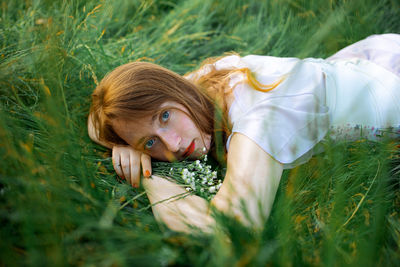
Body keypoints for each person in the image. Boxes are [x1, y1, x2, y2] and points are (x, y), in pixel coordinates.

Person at [88, 34, 400, 233]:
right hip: (366, 62)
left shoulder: (259, 123)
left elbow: (226, 232)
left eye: (165, 117)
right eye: (151, 142)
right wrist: (125, 143)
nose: (173, 145)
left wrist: (149, 179)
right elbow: (95, 120)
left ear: (175, 90)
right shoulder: (201, 85)